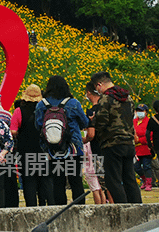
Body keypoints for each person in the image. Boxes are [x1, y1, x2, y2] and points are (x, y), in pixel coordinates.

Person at [87, 71, 141, 203]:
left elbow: (102, 123)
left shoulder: (105, 99)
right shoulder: (128, 98)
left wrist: (93, 120)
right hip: (128, 144)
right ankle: (138, 208)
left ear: (99, 85)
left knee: (113, 181)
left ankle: (123, 208)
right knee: (130, 180)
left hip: (112, 145)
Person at [34, 74, 88, 205]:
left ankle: (60, 210)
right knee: (76, 180)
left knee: (58, 181)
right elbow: (84, 123)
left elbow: (38, 126)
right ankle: (80, 209)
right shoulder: (73, 103)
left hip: (52, 149)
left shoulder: (42, 105)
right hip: (73, 148)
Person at [10, 84, 53, 207]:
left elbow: (13, 130)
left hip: (26, 151)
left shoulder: (19, 111)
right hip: (43, 150)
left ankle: (31, 207)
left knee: (29, 181)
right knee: (44, 179)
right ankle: (46, 205)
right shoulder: (45, 110)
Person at [134, 103, 152, 190]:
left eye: (142, 111)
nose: (139, 112)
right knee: (136, 166)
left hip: (145, 148)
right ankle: (144, 179)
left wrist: (139, 140)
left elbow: (150, 135)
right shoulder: (134, 121)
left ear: (146, 112)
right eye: (138, 111)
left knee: (147, 166)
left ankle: (149, 183)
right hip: (136, 149)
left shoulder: (149, 122)